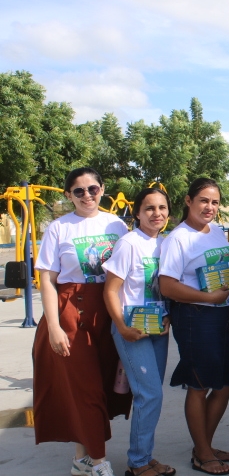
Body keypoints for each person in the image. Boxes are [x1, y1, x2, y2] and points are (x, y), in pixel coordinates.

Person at [32, 167, 131, 476]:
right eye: (79, 191)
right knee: (85, 388)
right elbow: (47, 280)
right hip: (71, 313)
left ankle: (81, 458)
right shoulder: (58, 228)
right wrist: (54, 326)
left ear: (102, 190)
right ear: (68, 195)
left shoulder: (116, 225)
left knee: (100, 386)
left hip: (108, 311)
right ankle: (99, 462)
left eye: (93, 189)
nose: (87, 195)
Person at [159, 178, 229, 476]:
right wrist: (207, 297)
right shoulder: (178, 238)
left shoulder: (216, 231)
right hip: (195, 318)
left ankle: (203, 444)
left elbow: (220, 269)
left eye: (215, 202)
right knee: (199, 385)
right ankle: (203, 454)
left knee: (227, 384)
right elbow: (167, 285)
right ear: (188, 201)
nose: (210, 207)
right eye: (204, 200)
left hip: (221, 315)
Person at [102, 188, 176, 476]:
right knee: (150, 395)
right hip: (131, 328)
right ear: (137, 213)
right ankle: (137, 463)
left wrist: (167, 315)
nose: (157, 213)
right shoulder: (129, 244)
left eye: (162, 208)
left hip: (157, 327)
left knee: (152, 395)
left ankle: (145, 455)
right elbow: (110, 290)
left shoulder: (165, 244)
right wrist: (122, 327)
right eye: (149, 208)